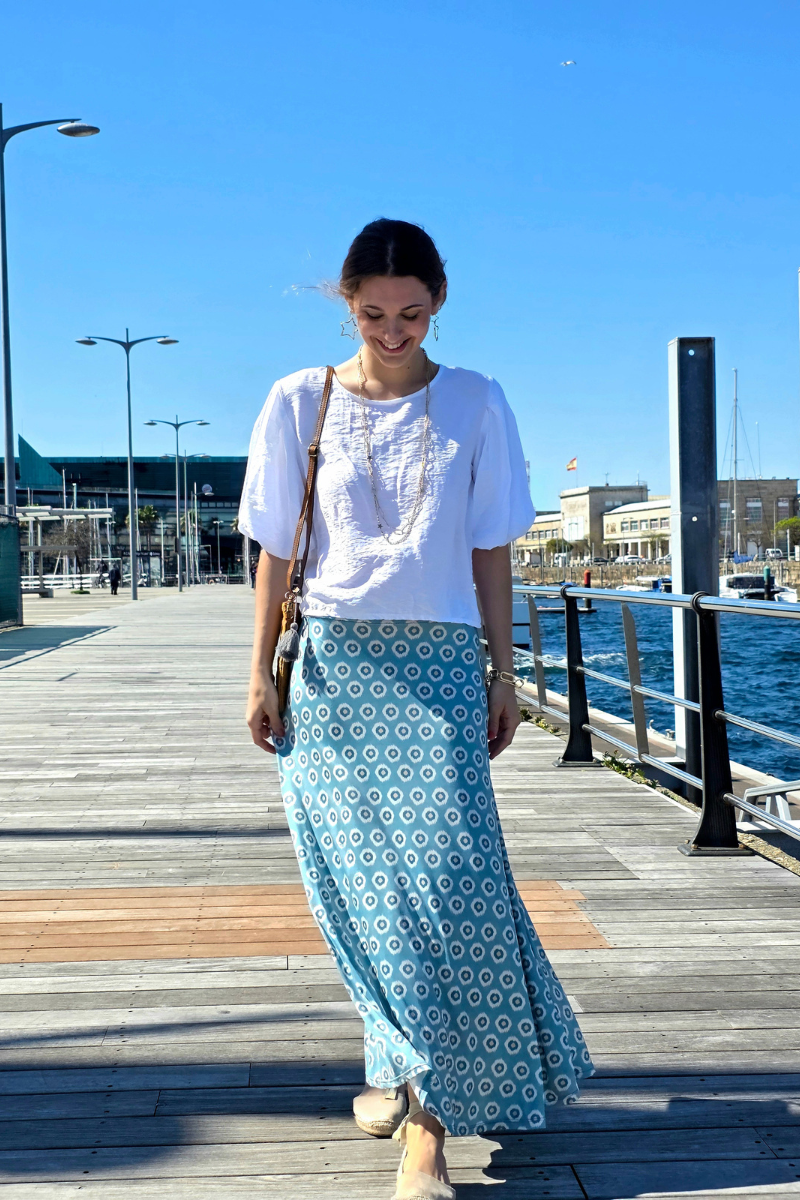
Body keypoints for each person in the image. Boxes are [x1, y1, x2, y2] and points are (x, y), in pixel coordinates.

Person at [240, 219, 592, 1200]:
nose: (392, 331)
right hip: (331, 674)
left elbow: (490, 549)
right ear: (344, 303)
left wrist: (502, 673)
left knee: (446, 883)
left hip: (437, 669)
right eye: (372, 314)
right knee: (358, 890)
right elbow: (275, 551)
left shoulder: (476, 401)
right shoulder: (296, 401)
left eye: (411, 313)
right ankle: (401, 1075)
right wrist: (259, 672)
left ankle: (425, 1125)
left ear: (437, 303)